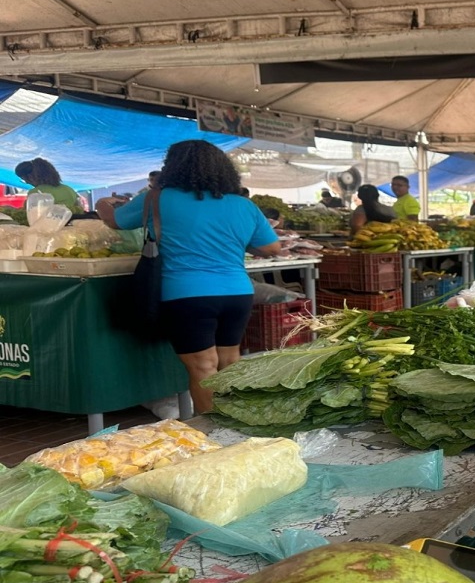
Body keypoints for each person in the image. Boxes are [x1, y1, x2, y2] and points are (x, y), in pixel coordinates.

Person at [96, 140, 281, 415]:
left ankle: (214, 434)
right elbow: (271, 248)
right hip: (237, 293)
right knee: (230, 362)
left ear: (172, 167)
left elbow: (115, 221)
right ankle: (239, 425)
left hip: (186, 294)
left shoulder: (157, 197)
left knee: (203, 367)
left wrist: (102, 202)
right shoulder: (243, 205)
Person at [14, 158, 81, 211]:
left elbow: (32, 216)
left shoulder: (36, 193)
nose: (27, 182)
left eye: (25, 179)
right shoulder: (68, 189)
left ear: (31, 177)